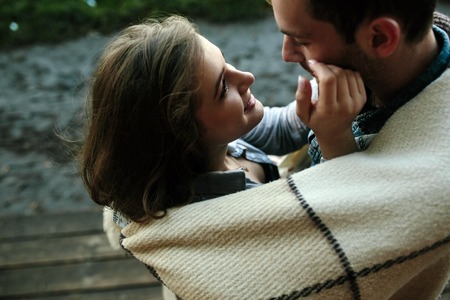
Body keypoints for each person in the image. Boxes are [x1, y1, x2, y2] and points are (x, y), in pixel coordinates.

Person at [118, 3, 450, 300]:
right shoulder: (205, 203)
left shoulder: (431, 172)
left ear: (379, 39)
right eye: (222, 87)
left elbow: (352, 229)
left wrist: (330, 133)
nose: (285, 55)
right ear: (185, 132)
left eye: (301, 40)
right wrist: (330, 133)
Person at [81, 15, 365, 231]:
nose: (247, 77)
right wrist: (334, 140)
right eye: (222, 88)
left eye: (227, 63)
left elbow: (283, 129)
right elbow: (333, 222)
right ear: (183, 133)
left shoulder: (216, 143)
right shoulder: (231, 215)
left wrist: (329, 88)